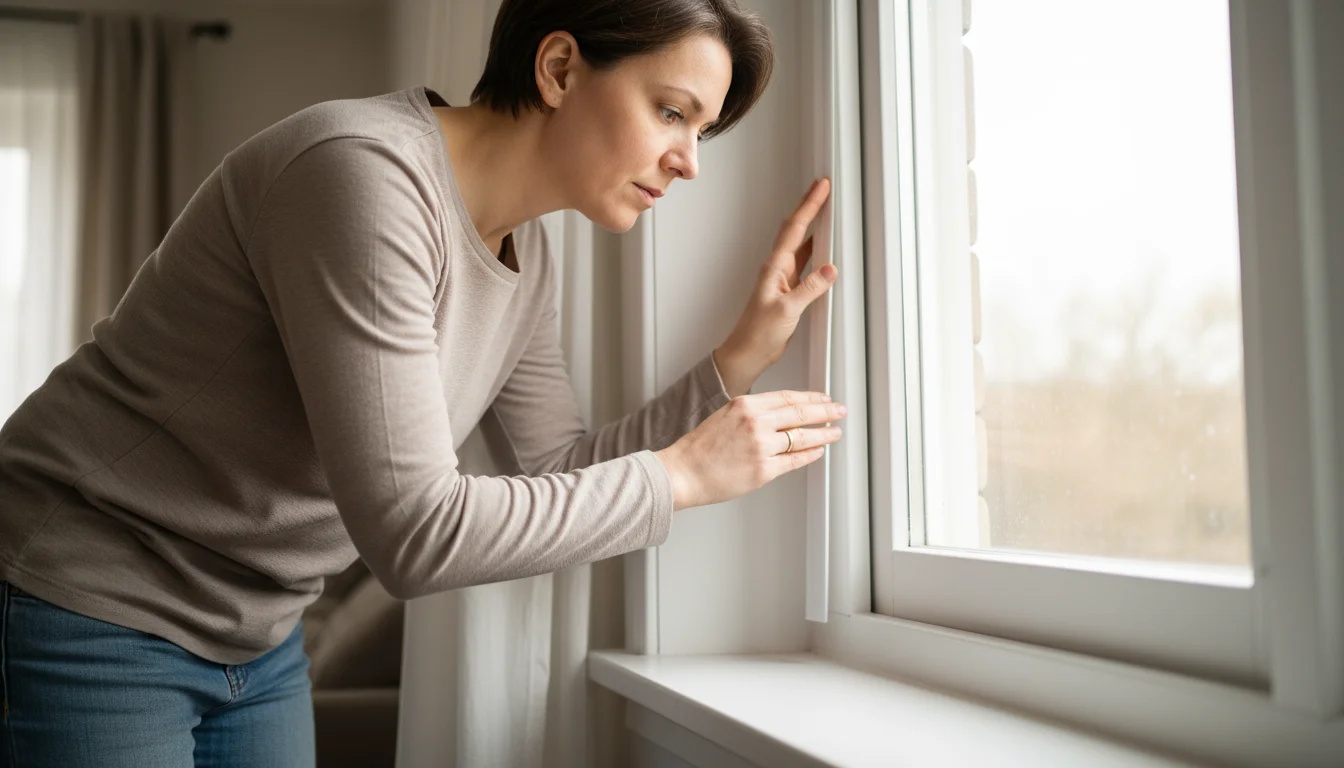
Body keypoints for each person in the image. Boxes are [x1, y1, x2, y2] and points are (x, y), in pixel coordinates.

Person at [0, 0, 845, 764]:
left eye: (702, 131)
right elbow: (413, 532)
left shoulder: (527, 252)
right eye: (672, 113)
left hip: (257, 634)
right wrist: (685, 476)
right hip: (90, 601)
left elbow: (555, 462)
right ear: (558, 69)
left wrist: (737, 359)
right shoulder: (362, 174)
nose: (688, 162)